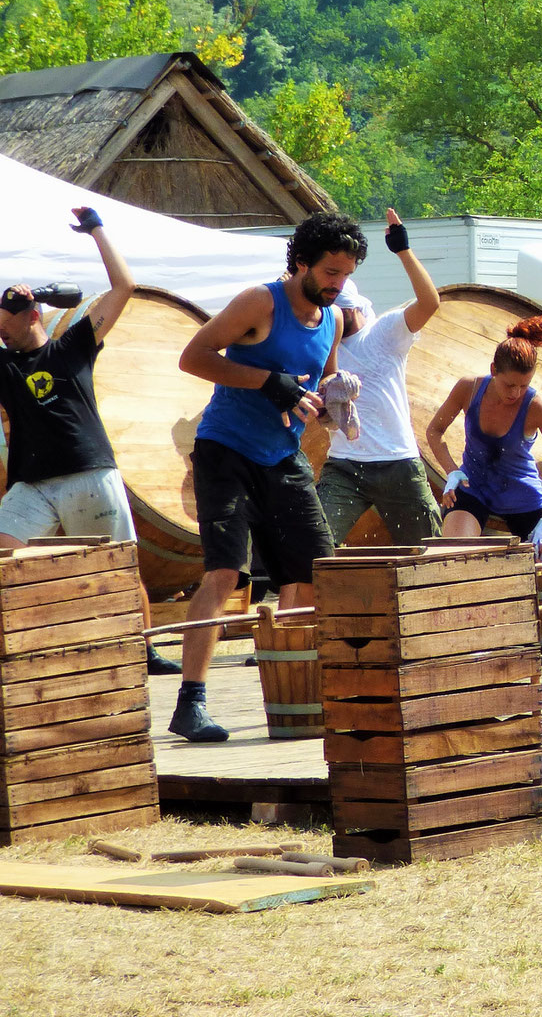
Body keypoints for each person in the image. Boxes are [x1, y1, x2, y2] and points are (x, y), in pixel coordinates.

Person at [172, 211, 367, 742]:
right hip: (225, 452)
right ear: (301, 262)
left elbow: (317, 392)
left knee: (312, 571)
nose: (337, 284)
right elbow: (193, 358)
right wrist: (268, 382)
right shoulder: (260, 302)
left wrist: (336, 400)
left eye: (346, 275)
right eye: (330, 272)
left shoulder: (333, 319)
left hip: (283, 457)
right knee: (226, 574)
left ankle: (297, 693)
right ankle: (191, 702)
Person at [0, 209, 172, 674]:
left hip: (89, 473)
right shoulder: (4, 367)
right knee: (3, 555)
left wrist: (97, 229)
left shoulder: (71, 346)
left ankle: (146, 648)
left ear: (33, 316)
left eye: (6, 323)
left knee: (118, 565)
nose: (2, 330)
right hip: (33, 484)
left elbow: (124, 287)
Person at [317, 211, 445, 550]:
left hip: (398, 464)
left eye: (340, 315)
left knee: (429, 556)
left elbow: (430, 303)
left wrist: (403, 250)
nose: (334, 322)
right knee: (315, 546)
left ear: (355, 309)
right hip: (344, 466)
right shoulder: (318, 341)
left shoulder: (386, 332)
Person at [423, 314, 542, 559]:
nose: (516, 393)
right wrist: (452, 471)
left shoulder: (537, 407)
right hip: (473, 488)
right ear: (493, 370)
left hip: (523, 496)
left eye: (524, 386)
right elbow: (434, 431)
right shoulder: (468, 388)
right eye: (509, 385)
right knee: (453, 559)